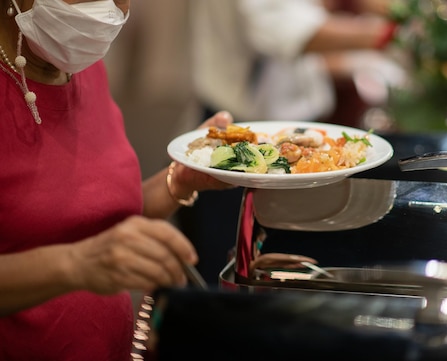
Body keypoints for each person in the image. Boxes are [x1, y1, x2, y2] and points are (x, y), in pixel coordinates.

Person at [0, 0, 234, 359]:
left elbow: (81, 222)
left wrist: (178, 182)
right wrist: (78, 264)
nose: (107, 7)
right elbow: (81, 252)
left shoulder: (79, 63)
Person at [180, 0, 408, 283]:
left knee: (286, 267)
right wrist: (395, 32)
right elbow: (281, 28)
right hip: (241, 128)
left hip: (294, 128)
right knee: (229, 271)